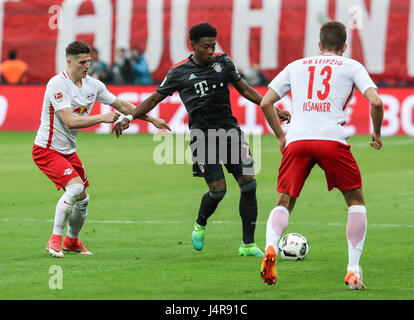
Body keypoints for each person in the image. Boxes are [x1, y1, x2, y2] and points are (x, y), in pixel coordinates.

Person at [113, 23, 290, 257]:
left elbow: (245, 89)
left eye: (213, 46)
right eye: (206, 46)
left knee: (249, 184)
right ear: (193, 45)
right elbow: (155, 98)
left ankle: (247, 245)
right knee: (218, 191)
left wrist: (272, 107)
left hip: (231, 133)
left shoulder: (223, 63)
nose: (210, 50)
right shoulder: (179, 72)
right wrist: (129, 117)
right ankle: (200, 224)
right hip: (203, 138)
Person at [259, 21, 384, 289]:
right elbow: (376, 101)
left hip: (298, 139)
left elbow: (266, 102)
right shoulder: (352, 66)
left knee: (284, 200)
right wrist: (377, 133)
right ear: (344, 46)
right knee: (355, 201)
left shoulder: (297, 65)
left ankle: (270, 247)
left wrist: (282, 135)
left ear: (319, 45)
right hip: (331, 140)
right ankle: (353, 270)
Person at [32, 40, 170, 258]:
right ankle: (54, 240)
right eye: (82, 62)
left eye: (89, 61)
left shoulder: (93, 85)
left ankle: (72, 241)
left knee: (83, 198)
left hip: (68, 151)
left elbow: (122, 105)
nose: (87, 65)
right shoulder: (57, 84)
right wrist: (102, 118)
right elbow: (69, 121)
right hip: (46, 149)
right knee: (75, 189)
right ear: (69, 61)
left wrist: (151, 119)